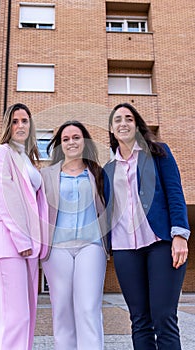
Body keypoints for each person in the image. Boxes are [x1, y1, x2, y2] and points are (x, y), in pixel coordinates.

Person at [103, 102, 190, 350]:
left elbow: (175, 192)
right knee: (140, 320)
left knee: (164, 317)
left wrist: (180, 234)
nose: (123, 123)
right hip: (124, 248)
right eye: (117, 119)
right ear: (111, 128)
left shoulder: (158, 153)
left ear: (137, 125)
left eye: (128, 118)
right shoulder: (108, 169)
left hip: (160, 242)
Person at [0, 103, 49, 350]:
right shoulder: (0, 153)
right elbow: (4, 198)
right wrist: (22, 240)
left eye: (25, 121)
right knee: (12, 319)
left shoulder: (26, 159)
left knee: (25, 318)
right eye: (15, 121)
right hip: (8, 244)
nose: (20, 125)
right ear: (8, 125)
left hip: (28, 247)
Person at [40, 120, 109, 350]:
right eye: (65, 139)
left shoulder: (98, 173)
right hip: (57, 248)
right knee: (62, 308)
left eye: (76, 137)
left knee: (88, 307)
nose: (71, 142)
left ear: (85, 141)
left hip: (92, 245)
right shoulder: (46, 175)